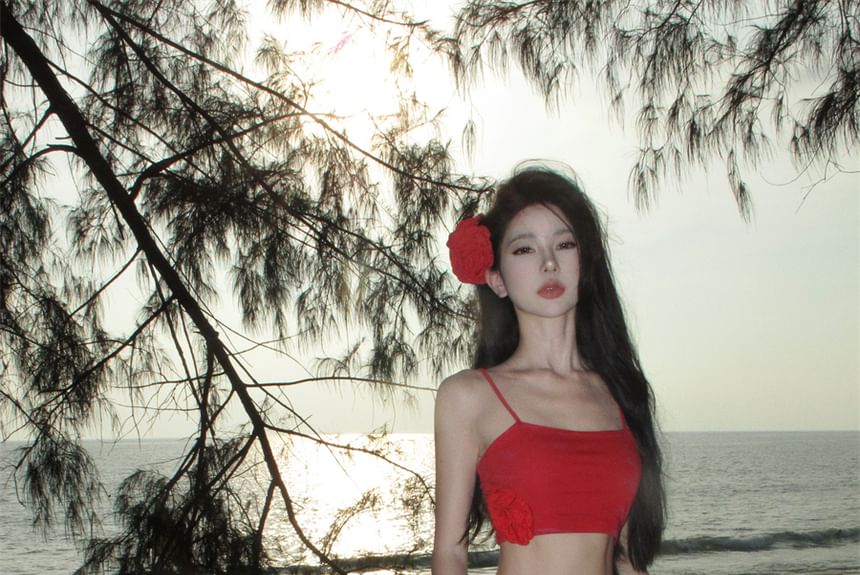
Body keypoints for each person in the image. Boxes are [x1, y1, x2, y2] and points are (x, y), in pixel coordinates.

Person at [432, 167, 665, 575]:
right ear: (497, 279)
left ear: (586, 264)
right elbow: (450, 554)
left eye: (565, 244)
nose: (549, 262)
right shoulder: (468, 396)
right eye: (525, 249)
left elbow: (628, 559)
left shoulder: (621, 391)